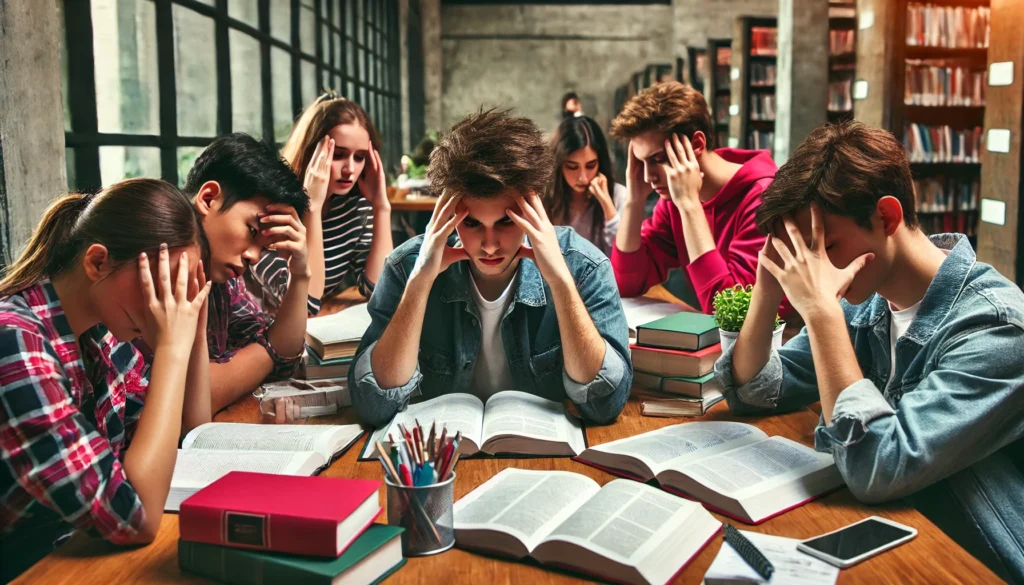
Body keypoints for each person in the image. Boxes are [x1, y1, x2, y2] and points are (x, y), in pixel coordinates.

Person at [716, 121, 1024, 584]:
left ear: (886, 217)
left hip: (975, 564)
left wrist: (821, 313)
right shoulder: (871, 304)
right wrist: (768, 281)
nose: (816, 267)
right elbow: (758, 388)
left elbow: (878, 465)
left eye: (827, 246)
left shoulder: (998, 327)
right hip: (900, 537)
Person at [349, 110, 632, 427]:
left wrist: (561, 282)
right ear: (450, 213)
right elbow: (372, 405)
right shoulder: (406, 267)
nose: (489, 245)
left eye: (506, 222)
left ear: (533, 205)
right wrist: (420, 281)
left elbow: (607, 403)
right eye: (471, 224)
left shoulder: (584, 266)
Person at [0, 180, 212, 581]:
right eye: (159, 284)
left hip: (71, 554)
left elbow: (186, 433)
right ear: (98, 262)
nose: (164, 307)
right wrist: (171, 349)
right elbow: (136, 516)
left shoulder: (103, 339)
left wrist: (192, 334)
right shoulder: (14, 342)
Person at [609, 81, 792, 318]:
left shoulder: (763, 198)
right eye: (641, 161)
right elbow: (625, 284)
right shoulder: (672, 200)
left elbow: (731, 312)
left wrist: (689, 205)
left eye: (658, 158)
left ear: (696, 144)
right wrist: (634, 200)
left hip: (779, 343)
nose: (648, 176)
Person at [181, 133, 311, 413]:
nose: (253, 256)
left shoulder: (221, 278)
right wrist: (267, 353)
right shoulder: (161, 267)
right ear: (208, 198)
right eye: (251, 231)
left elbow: (285, 356)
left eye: (264, 248)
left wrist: (300, 274)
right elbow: (194, 399)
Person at [250, 93, 392, 314]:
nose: (350, 170)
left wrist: (382, 208)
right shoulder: (273, 210)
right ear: (310, 152)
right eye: (338, 154)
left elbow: (380, 289)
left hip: (309, 332)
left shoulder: (355, 208)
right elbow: (304, 304)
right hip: (259, 333)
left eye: (359, 157)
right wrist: (312, 207)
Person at [544, 115, 627, 256]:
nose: (583, 177)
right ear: (558, 165)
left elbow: (625, 256)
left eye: (591, 165)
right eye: (572, 167)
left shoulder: (619, 195)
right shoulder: (547, 197)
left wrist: (607, 205)